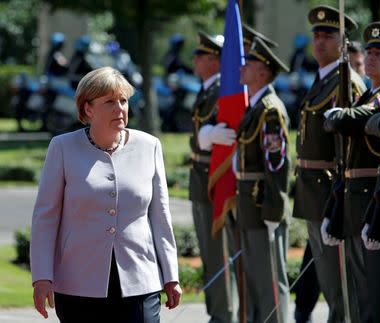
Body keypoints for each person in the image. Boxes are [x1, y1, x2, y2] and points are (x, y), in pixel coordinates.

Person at [30, 66, 181, 323]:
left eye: (123, 101)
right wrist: (42, 277)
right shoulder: (62, 148)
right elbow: (45, 217)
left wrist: (171, 276)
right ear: (88, 109)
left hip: (140, 279)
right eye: (109, 102)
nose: (119, 108)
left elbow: (160, 216)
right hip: (79, 283)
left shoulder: (149, 146)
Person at [324, 22, 380, 322]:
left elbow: (357, 119)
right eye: (368, 52)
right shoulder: (367, 95)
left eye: (379, 53)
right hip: (354, 198)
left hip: (374, 196)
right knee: (361, 287)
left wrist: (340, 115)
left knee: (378, 287)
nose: (370, 58)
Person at [292, 5, 366, 323]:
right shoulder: (323, 79)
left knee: (341, 286)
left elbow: (352, 148)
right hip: (314, 193)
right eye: (317, 35)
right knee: (329, 281)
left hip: (331, 193)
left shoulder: (345, 83)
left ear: (342, 42)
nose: (320, 41)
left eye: (328, 35)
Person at [236, 36, 290, 323]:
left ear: (264, 71)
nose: (243, 67)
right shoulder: (255, 106)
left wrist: (273, 211)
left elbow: (277, 166)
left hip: (262, 207)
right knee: (256, 279)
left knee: (270, 280)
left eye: (251, 63)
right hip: (249, 205)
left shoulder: (270, 109)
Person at [189, 31, 239, 323]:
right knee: (210, 253)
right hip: (201, 177)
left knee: (217, 252)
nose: (195, 60)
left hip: (213, 179)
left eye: (202, 55)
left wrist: (203, 138)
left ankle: (222, 313)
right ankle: (217, 312)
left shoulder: (221, 89)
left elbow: (220, 134)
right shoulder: (207, 89)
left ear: (216, 60)